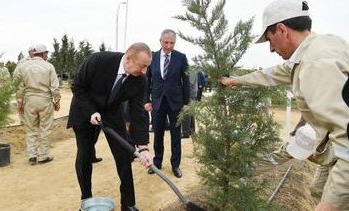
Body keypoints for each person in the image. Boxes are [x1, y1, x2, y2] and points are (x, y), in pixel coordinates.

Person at [220, 0, 349, 210]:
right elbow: (272, 74)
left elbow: (347, 144)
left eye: (270, 40)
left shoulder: (317, 65)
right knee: (318, 189)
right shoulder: (319, 47)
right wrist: (236, 80)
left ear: (282, 30)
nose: (271, 49)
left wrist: (329, 206)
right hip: (333, 147)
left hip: (342, 153)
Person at [67, 42, 152, 211]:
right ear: (129, 59)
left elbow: (138, 114)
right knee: (85, 154)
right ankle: (86, 200)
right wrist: (91, 111)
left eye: (147, 67)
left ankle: (128, 204)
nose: (144, 71)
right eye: (142, 66)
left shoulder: (140, 81)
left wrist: (143, 148)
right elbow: (77, 86)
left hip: (112, 112)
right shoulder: (99, 60)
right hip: (85, 108)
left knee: (124, 153)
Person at [145, 29, 190, 178]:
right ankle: (157, 163)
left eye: (172, 43)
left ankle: (175, 165)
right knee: (157, 134)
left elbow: (186, 81)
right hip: (157, 102)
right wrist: (146, 100)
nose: (169, 46)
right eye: (166, 42)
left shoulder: (181, 58)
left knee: (176, 135)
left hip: (176, 102)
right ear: (160, 41)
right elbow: (147, 80)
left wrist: (186, 102)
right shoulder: (153, 57)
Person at [14, 43, 61, 165]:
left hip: (29, 101)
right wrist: (57, 101)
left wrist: (20, 102)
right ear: (43, 53)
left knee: (31, 129)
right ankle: (43, 155)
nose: (47, 56)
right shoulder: (49, 66)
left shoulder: (22, 66)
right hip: (45, 100)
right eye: (47, 53)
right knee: (45, 129)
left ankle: (32, 156)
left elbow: (19, 87)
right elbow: (55, 87)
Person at [181, 70, 198, 138]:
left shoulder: (188, 72)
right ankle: (191, 130)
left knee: (186, 113)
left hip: (189, 94)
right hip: (192, 94)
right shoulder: (192, 71)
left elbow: (189, 84)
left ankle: (185, 132)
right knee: (191, 113)